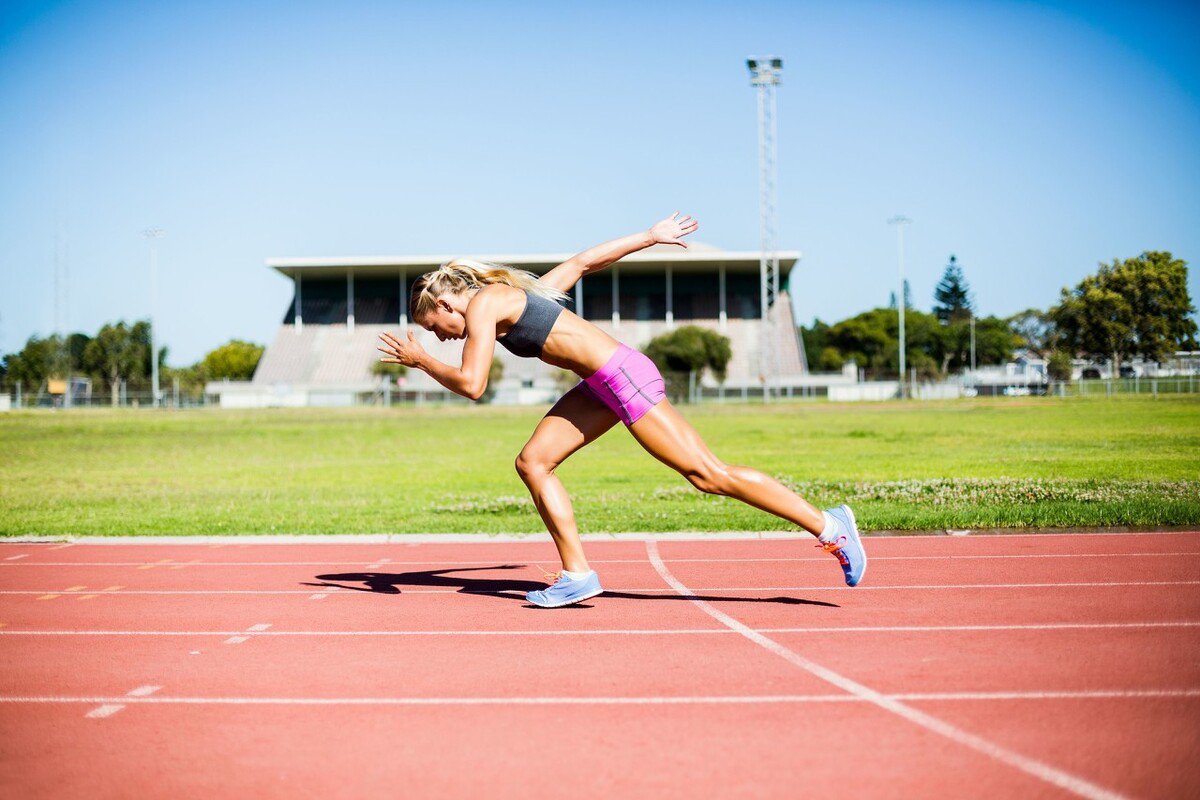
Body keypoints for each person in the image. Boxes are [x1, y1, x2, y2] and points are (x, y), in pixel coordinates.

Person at [377, 213, 866, 608]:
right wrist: (649, 237)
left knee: (707, 474)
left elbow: (473, 384)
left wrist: (421, 361)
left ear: (445, 301)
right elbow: (585, 262)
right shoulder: (513, 298)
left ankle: (830, 526)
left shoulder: (484, 303)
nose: (439, 335)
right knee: (533, 462)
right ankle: (576, 574)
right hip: (601, 385)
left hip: (623, 377)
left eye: (434, 324)